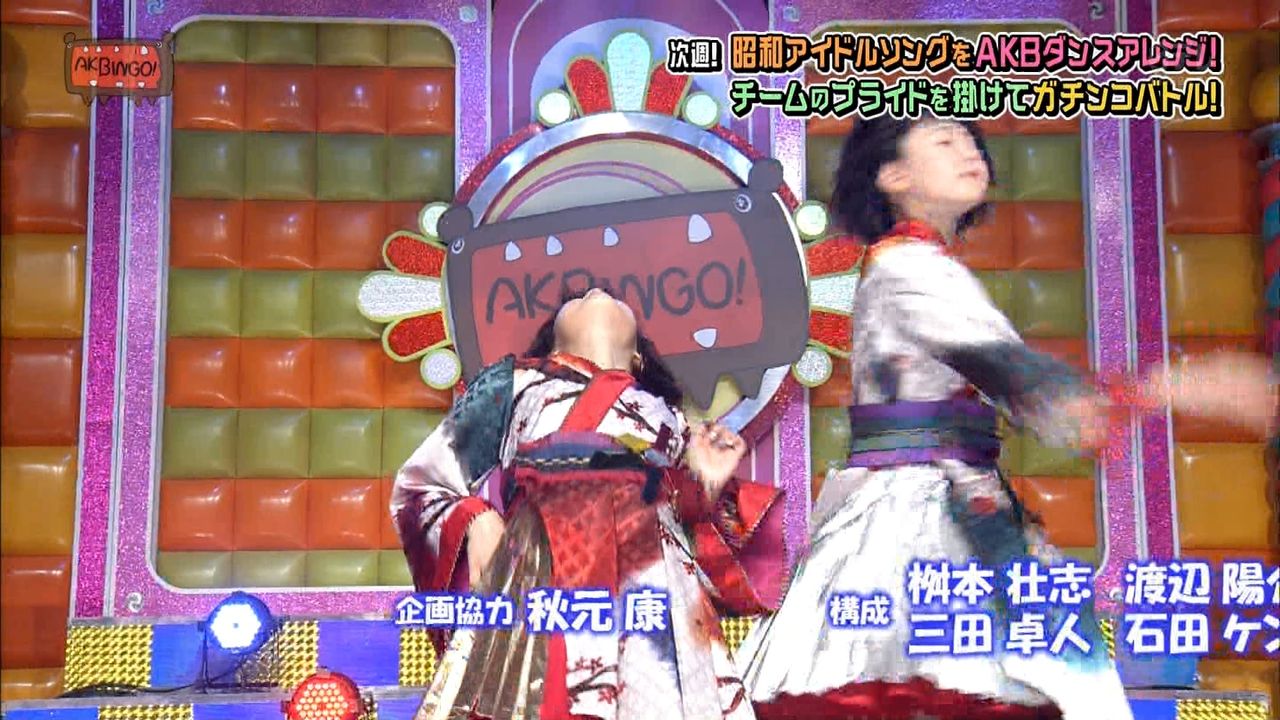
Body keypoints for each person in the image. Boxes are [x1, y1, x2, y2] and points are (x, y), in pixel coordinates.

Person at [735, 114, 1278, 720]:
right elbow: (1013, 372)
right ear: (893, 175)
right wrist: (1174, 388)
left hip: (956, 502)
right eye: (944, 141)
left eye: (971, 140)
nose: (969, 150)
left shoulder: (923, 264)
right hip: (918, 516)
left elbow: (1025, 387)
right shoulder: (906, 266)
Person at [391, 287, 789, 720]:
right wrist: (476, 518)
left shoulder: (669, 419)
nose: (597, 291)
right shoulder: (515, 384)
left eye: (615, 298)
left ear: (637, 358)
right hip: (543, 571)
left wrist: (704, 487)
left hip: (652, 595)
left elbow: (695, 534)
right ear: (552, 350)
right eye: (577, 298)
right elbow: (419, 484)